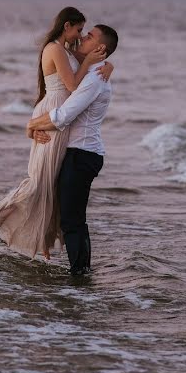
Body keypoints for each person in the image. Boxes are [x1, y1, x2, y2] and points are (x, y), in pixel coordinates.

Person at [0, 7, 112, 260]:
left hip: (61, 118)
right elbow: (73, 85)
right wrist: (32, 125)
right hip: (54, 113)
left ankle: (44, 238)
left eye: (85, 33)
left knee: (52, 185)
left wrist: (108, 64)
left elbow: (93, 58)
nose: (82, 35)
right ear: (66, 26)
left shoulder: (67, 50)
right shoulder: (54, 48)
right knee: (39, 179)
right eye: (79, 29)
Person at [26, 24, 119, 275]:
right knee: (72, 217)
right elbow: (66, 53)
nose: (82, 37)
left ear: (100, 48)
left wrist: (32, 124)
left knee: (72, 221)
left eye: (89, 36)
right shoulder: (91, 69)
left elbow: (65, 115)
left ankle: (80, 276)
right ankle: (82, 272)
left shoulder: (94, 78)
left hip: (82, 155)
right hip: (78, 153)